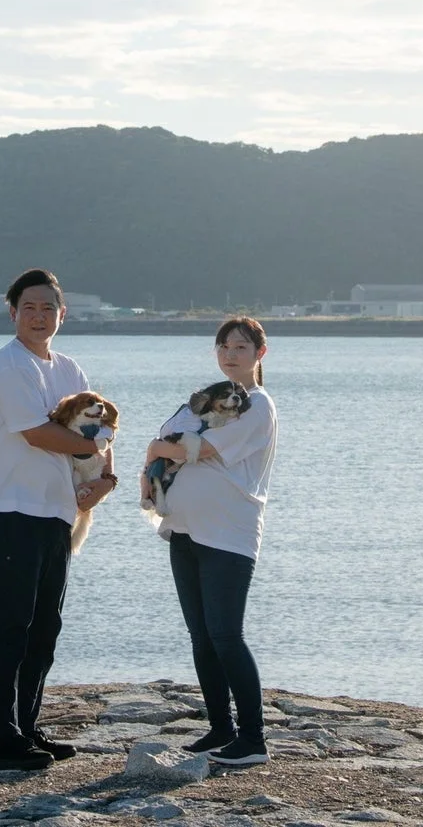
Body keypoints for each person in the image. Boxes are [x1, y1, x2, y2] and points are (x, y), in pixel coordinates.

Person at [0, 268, 119, 771]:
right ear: (12, 312)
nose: (39, 316)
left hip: (59, 510)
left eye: (48, 308)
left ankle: (28, 726)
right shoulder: (8, 365)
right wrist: (92, 447)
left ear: (63, 313)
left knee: (44, 628)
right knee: (9, 626)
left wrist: (104, 477)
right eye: (29, 307)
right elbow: (37, 433)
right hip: (10, 508)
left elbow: (102, 427)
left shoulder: (70, 369)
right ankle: (2, 739)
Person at [144, 316, 278, 766]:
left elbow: (197, 449)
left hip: (228, 533)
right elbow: (164, 436)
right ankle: (221, 727)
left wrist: (159, 451)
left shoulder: (257, 406)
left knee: (226, 635)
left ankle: (253, 738)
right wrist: (154, 454)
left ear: (260, 353)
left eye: (240, 347)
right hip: (183, 530)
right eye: (223, 346)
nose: (230, 354)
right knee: (201, 637)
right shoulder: (200, 399)